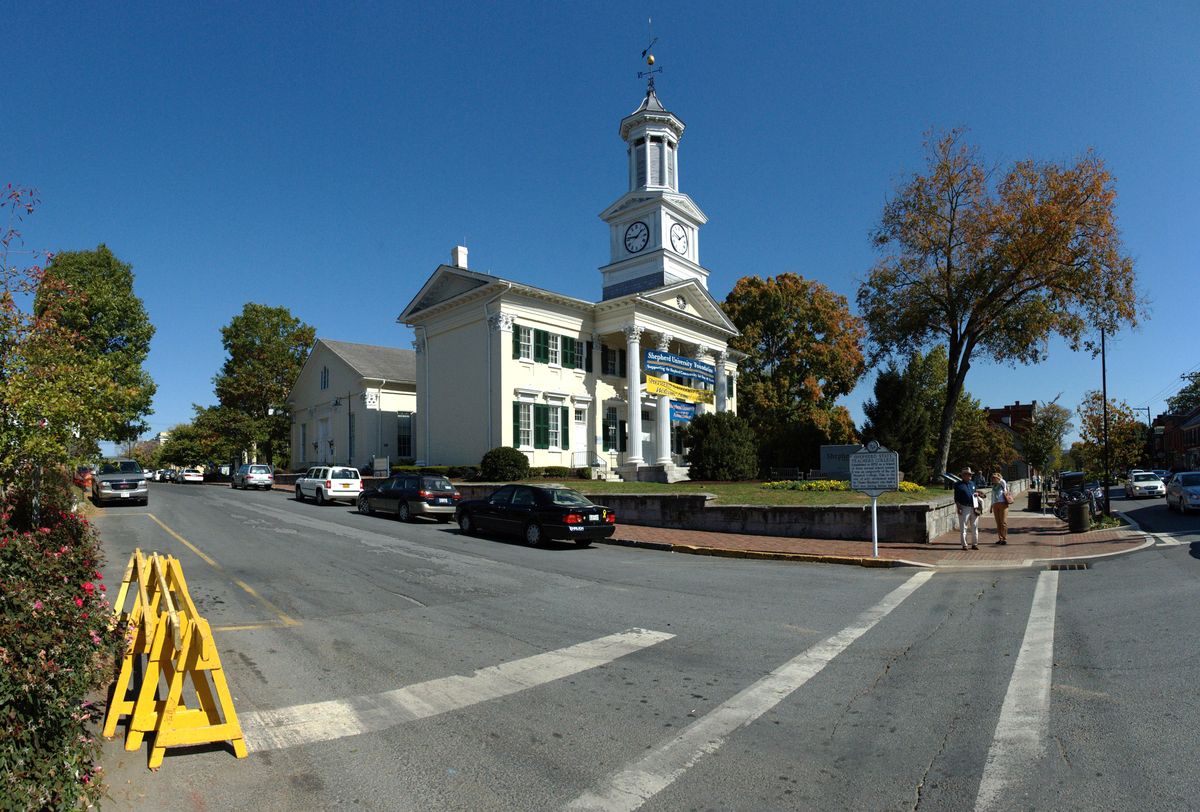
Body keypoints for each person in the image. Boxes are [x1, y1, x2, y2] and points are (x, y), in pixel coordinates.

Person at [954, 466, 979, 550]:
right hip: (964, 507)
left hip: (974, 507)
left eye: (970, 474)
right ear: (963, 475)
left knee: (974, 526)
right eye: (968, 474)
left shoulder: (973, 483)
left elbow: (975, 492)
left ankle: (974, 544)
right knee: (963, 526)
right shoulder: (958, 485)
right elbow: (956, 498)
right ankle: (964, 544)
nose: (969, 476)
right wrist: (959, 507)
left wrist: (978, 494)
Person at [990, 472, 1010, 545]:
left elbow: (1002, 481)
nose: (993, 479)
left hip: (1003, 504)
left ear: (998, 478)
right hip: (995, 505)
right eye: (992, 478)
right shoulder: (993, 487)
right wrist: (991, 506)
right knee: (998, 523)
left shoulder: (1002, 483)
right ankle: (1000, 538)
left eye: (994, 478)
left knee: (1003, 522)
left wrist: (998, 477)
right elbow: (992, 497)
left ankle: (1004, 538)